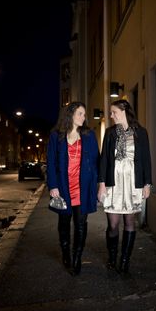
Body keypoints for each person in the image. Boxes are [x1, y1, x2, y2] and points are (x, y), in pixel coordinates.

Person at [98, 99, 152, 273]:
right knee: (113, 224)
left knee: (130, 222)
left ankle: (125, 260)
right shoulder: (110, 133)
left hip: (132, 182)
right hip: (113, 183)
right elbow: (104, 159)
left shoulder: (141, 133)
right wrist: (102, 184)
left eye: (114, 112)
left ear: (123, 111)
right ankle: (113, 257)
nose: (111, 115)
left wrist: (147, 183)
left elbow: (146, 160)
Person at [47, 101, 99, 276]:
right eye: (80, 114)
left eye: (84, 115)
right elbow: (51, 163)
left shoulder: (89, 135)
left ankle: (77, 258)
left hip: (83, 187)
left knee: (81, 224)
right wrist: (53, 185)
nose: (84, 118)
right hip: (63, 186)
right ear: (70, 115)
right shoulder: (56, 136)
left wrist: (99, 184)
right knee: (64, 223)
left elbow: (96, 161)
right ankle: (66, 253)